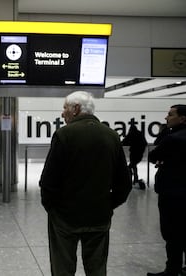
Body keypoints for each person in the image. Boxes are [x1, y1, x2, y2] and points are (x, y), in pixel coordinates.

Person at [39, 91, 132, 276]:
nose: (62, 113)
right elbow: (124, 182)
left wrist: (53, 209)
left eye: (65, 108)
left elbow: (48, 181)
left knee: (62, 268)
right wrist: (108, 205)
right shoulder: (112, 136)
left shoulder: (64, 134)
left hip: (66, 217)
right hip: (99, 216)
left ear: (76, 109)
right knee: (97, 268)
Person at [147, 104, 186, 276]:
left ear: (182, 118)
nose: (166, 118)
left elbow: (153, 156)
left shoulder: (173, 138)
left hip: (172, 193)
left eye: (170, 115)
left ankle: (172, 269)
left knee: (172, 233)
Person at [121, 124, 148, 189]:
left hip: (133, 152)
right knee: (133, 165)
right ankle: (134, 179)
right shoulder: (139, 134)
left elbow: (124, 142)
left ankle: (130, 180)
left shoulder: (131, 134)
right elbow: (145, 143)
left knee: (131, 166)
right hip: (139, 153)